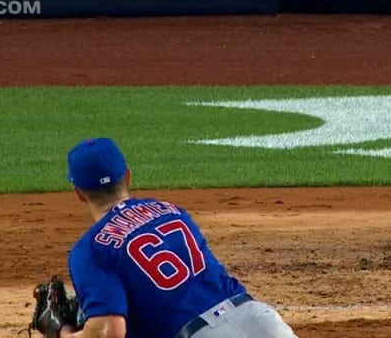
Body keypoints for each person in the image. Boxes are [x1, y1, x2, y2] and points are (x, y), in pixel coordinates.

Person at [61, 137, 296, 337]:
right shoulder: (171, 210)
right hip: (261, 319)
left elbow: (108, 331)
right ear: (128, 176)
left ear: (78, 193)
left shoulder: (89, 250)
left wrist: (62, 332)